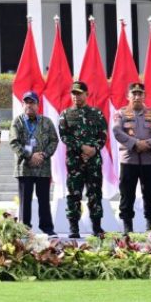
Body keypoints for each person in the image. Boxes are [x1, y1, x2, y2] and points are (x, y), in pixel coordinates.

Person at [112, 82, 151, 233]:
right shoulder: (120, 114)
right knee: (127, 195)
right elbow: (116, 131)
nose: (136, 96)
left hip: (149, 161)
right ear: (128, 96)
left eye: (140, 93)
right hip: (129, 161)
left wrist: (148, 144)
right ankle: (127, 229)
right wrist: (135, 144)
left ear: (144, 96)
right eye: (133, 94)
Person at [60, 80, 107, 238]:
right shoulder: (66, 114)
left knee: (95, 194)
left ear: (86, 95)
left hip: (93, 161)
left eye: (79, 94)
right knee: (74, 194)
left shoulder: (97, 113)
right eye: (73, 94)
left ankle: (97, 227)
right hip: (75, 162)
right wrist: (82, 147)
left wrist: (93, 149)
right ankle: (74, 228)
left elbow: (103, 135)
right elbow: (64, 136)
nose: (76, 97)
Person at [8, 91, 59, 237]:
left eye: (32, 102)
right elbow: (13, 142)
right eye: (27, 102)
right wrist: (30, 155)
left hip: (43, 167)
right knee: (25, 200)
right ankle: (25, 229)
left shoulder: (46, 121)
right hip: (24, 167)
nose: (29, 105)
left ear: (38, 105)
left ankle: (47, 228)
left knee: (44, 200)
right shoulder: (17, 121)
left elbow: (54, 140)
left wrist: (43, 154)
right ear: (23, 104)